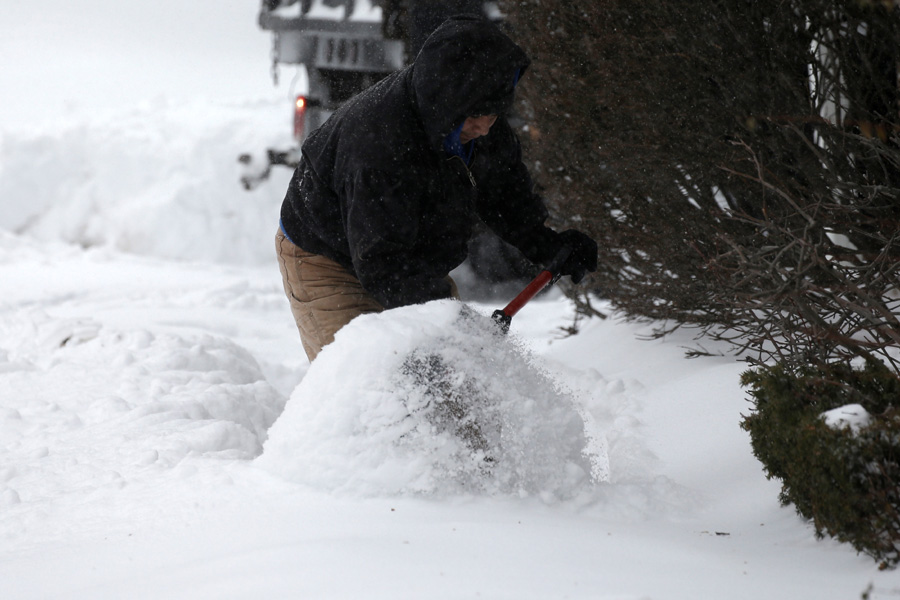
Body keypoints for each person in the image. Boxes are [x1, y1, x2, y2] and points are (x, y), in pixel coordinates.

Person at [275, 15, 597, 362]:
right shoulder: (381, 146)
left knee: (450, 379)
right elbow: (383, 262)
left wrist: (545, 243)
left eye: (493, 114)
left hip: (404, 257)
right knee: (370, 384)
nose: (486, 128)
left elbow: (503, 195)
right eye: (476, 116)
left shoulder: (474, 125)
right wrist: (449, 321)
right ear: (445, 98)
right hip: (328, 260)